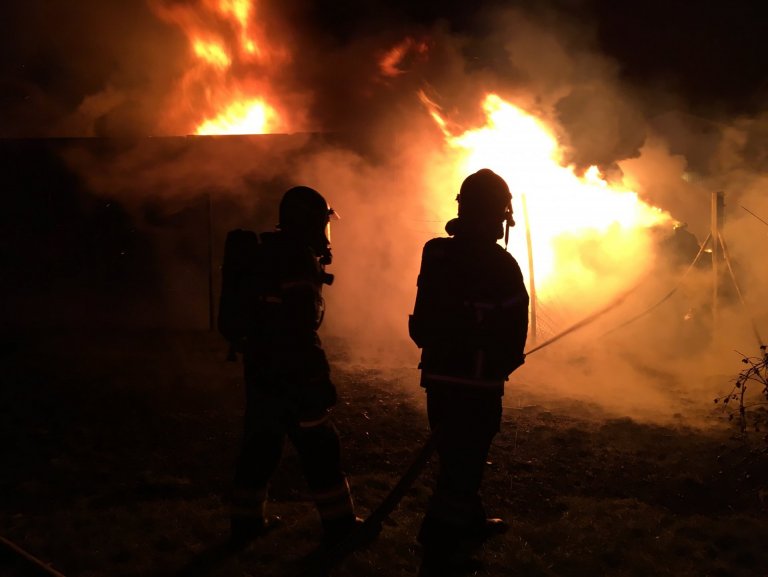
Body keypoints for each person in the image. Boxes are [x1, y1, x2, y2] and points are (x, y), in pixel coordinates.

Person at [219, 185, 361, 546]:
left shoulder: (267, 254)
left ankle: (246, 523)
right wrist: (319, 380)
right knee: (321, 447)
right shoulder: (297, 259)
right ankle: (341, 526)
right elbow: (299, 329)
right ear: (308, 222)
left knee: (262, 443)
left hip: (260, 368)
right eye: (321, 224)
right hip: (294, 373)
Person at [408, 169, 529, 575]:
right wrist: (503, 361)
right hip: (477, 384)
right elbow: (514, 330)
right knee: (466, 462)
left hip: (438, 379)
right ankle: (440, 550)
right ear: (499, 214)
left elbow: (424, 321)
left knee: (455, 455)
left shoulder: (436, 252)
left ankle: (471, 522)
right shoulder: (502, 265)